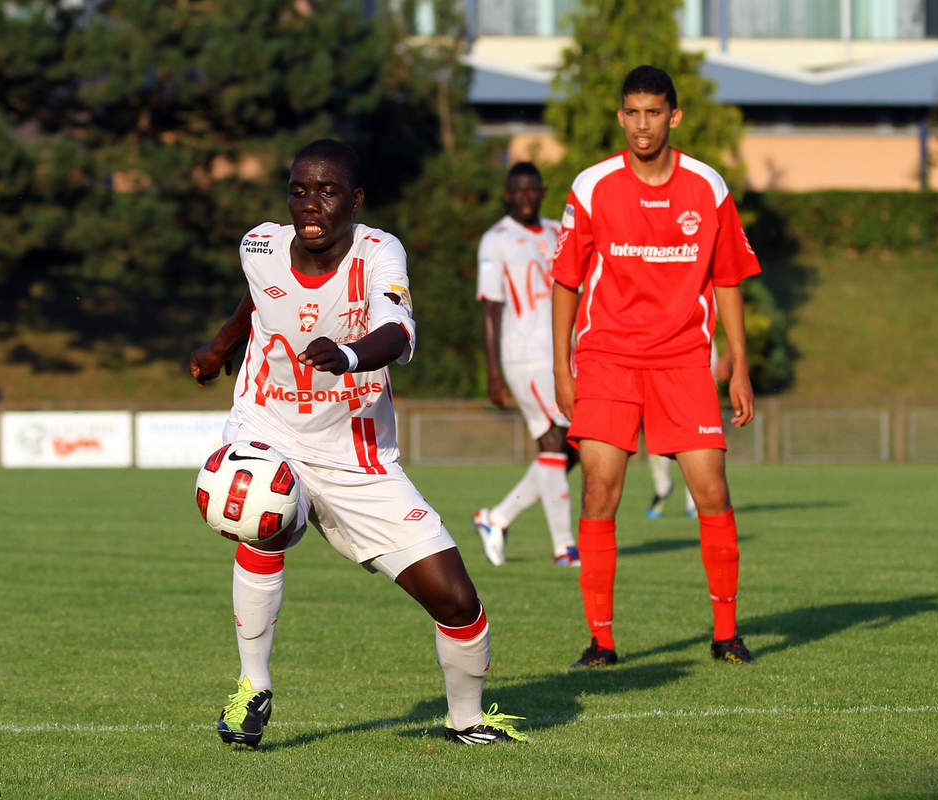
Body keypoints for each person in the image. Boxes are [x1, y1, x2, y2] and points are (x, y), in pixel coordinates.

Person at [189, 139, 525, 748]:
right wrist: (219, 348)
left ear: (356, 200)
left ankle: (467, 721)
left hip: (357, 455)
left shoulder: (378, 253)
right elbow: (258, 297)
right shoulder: (260, 244)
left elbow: (397, 331)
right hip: (267, 427)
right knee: (260, 514)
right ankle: (252, 689)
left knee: (456, 598)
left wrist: (347, 356)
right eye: (299, 190)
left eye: (327, 191)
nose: (310, 204)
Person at [551, 65, 761, 667]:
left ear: (674, 116)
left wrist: (739, 363)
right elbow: (566, 281)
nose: (642, 124)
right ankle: (602, 640)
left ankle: (726, 632)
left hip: (684, 361)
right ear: (621, 117)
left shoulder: (707, 186)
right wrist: (563, 367)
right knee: (600, 489)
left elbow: (728, 279)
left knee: (712, 489)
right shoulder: (592, 186)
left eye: (653, 112)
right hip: (607, 358)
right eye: (632, 112)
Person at [472, 162, 580, 567]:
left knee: (576, 446)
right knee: (554, 439)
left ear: (542, 191)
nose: (526, 197)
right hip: (524, 355)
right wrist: (494, 373)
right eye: (518, 190)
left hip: (564, 353)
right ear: (508, 194)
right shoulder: (495, 240)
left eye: (533, 190)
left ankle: (497, 517)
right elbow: (490, 309)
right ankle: (564, 548)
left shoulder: (558, 232)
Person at [646, 347, 731, 519]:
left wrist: (730, 356)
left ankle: (694, 501)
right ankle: (662, 486)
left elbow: (734, 320)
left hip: (700, 355)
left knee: (697, 434)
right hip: (659, 353)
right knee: (660, 427)